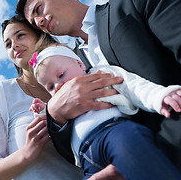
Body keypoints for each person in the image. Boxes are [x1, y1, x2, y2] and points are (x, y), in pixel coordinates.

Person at [15, 0, 181, 169]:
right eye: (35, 23)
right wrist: (55, 114)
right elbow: (73, 149)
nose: (40, 22)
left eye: (38, 10)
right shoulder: (68, 69)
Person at [0, 16, 126, 180]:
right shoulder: (3, 92)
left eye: (20, 35)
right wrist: (27, 152)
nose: (14, 45)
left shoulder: (79, 75)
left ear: (40, 35)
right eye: (8, 44)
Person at [28, 36, 181, 179]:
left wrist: (160, 96)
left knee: (138, 156)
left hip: (114, 132)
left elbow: (132, 85)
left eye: (61, 75)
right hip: (86, 156)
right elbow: (52, 124)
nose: (58, 86)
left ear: (80, 64)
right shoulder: (59, 104)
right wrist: (43, 110)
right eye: (50, 87)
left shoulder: (99, 74)